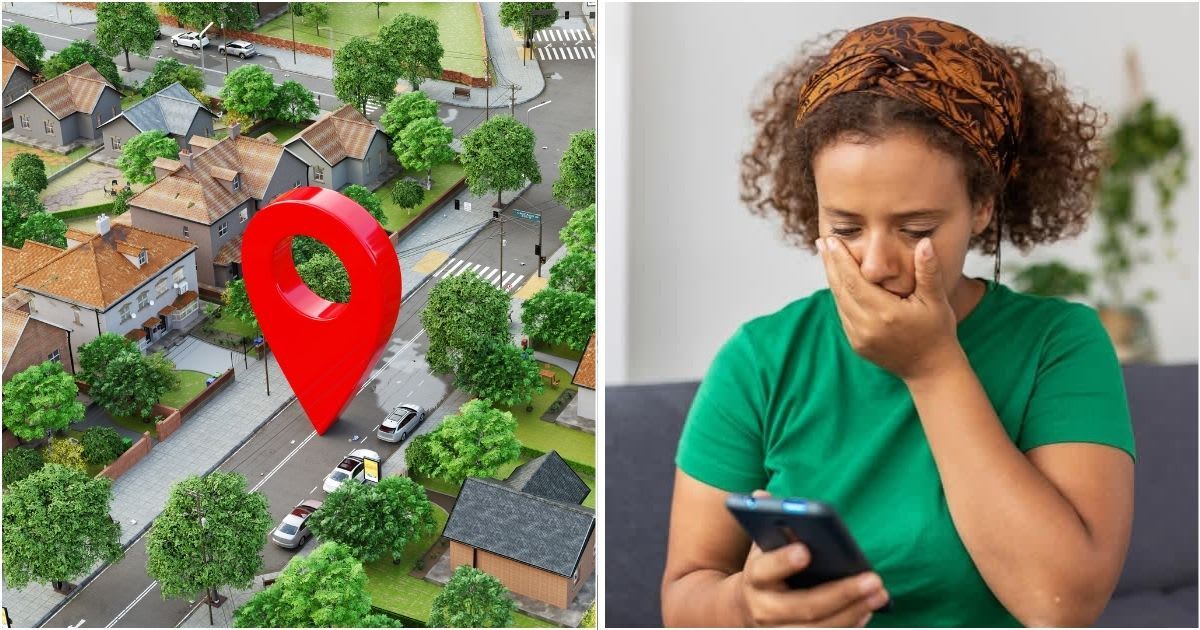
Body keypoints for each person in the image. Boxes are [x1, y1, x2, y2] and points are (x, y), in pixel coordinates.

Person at [661, 16, 1136, 628]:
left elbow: (1063, 606)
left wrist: (934, 366)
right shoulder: (760, 360)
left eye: (916, 230)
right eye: (846, 228)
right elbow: (683, 597)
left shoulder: (1059, 345)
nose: (878, 264)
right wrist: (747, 607)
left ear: (983, 206)